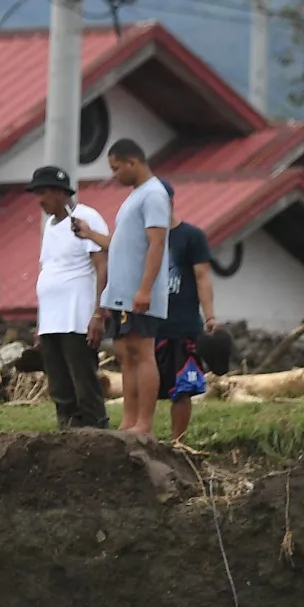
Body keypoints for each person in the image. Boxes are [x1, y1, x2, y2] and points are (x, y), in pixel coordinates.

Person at [30, 165, 111, 431]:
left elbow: (101, 266)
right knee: (59, 386)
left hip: (78, 316)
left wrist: (98, 313)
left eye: (44, 193)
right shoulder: (50, 226)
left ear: (59, 192)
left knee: (83, 382)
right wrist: (41, 325)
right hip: (52, 319)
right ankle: (68, 437)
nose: (40, 200)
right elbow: (48, 271)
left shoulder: (85, 218)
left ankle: (97, 435)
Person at [101, 138, 172, 437]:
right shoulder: (135, 196)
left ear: (133, 162)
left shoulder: (154, 194)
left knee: (143, 352)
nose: (114, 174)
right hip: (121, 294)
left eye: (117, 168)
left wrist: (144, 289)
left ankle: (145, 422)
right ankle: (129, 420)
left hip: (139, 293)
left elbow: (156, 243)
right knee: (125, 352)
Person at [158, 218, 218, 443]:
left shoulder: (192, 236)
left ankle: (177, 443)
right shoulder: (142, 235)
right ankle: (143, 438)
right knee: (144, 388)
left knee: (183, 388)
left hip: (182, 324)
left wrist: (210, 316)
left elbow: (203, 277)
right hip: (149, 324)